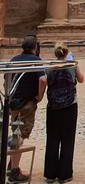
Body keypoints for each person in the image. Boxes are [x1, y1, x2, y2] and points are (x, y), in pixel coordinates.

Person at [38, 42, 84, 184]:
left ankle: (50, 174)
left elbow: (42, 80)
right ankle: (64, 175)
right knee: (67, 140)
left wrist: (39, 97)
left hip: (53, 107)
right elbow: (82, 79)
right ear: (66, 52)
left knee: (52, 139)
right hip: (70, 106)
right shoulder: (72, 65)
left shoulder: (49, 67)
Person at [8, 35, 44, 183]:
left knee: (16, 132)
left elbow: (7, 77)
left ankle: (12, 165)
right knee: (19, 136)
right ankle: (14, 171)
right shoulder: (36, 61)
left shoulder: (14, 59)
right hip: (27, 104)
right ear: (35, 47)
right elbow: (43, 79)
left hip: (13, 103)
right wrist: (40, 96)